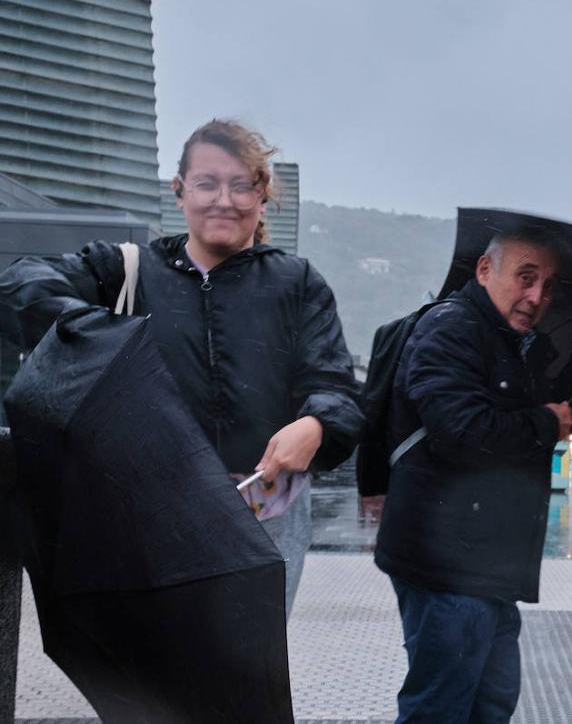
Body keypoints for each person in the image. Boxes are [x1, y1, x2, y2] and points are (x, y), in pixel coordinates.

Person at [0, 119, 363, 616]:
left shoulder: (296, 282)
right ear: (179, 191)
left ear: (261, 196)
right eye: (207, 184)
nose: (224, 200)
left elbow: (335, 384)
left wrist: (316, 423)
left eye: (241, 186)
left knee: (249, 654)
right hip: (149, 510)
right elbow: (19, 283)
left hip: (265, 513)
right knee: (152, 655)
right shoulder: (127, 269)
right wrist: (95, 330)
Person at [374, 229, 572, 724]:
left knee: (490, 704)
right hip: (446, 565)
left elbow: (550, 411)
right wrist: (546, 423)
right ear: (485, 270)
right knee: (440, 709)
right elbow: (463, 432)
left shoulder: (517, 343)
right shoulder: (452, 329)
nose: (537, 297)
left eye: (548, 286)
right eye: (526, 278)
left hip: (486, 564)